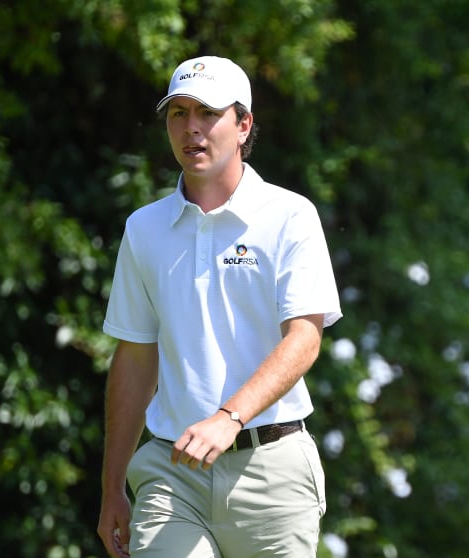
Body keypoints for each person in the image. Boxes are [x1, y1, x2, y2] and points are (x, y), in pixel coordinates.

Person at [96, 55, 342, 557]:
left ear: (243, 124)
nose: (192, 127)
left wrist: (229, 417)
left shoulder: (291, 216)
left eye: (208, 113)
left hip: (271, 472)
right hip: (172, 474)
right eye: (178, 113)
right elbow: (136, 359)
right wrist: (112, 488)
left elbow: (304, 338)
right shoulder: (143, 229)